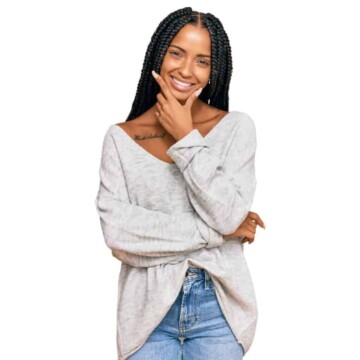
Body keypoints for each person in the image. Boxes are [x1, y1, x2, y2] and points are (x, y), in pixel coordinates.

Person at [95, 7, 265, 360]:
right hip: (145, 316)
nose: (186, 70)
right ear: (159, 53)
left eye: (202, 60)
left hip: (219, 311)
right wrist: (219, 232)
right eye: (177, 53)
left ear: (214, 70)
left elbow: (228, 213)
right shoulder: (120, 139)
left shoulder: (236, 128)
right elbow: (119, 235)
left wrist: (186, 137)